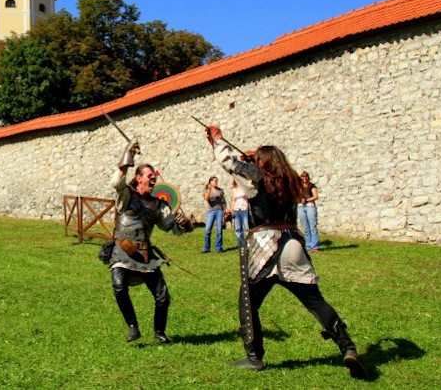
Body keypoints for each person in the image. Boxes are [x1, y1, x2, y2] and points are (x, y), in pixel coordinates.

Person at [206, 126, 365, 379]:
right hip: (292, 245)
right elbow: (253, 169)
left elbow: (229, 162)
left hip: (265, 247)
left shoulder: (256, 179)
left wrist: (216, 140)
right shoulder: (290, 180)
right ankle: (347, 346)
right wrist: (254, 160)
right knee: (315, 301)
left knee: (248, 302)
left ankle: (254, 357)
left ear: (262, 164)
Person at [109, 139, 191, 344]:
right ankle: (132, 327)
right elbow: (116, 183)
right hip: (123, 251)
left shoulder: (158, 204)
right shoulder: (126, 195)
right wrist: (128, 156)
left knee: (162, 296)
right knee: (119, 286)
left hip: (145, 254)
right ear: (139, 178)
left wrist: (184, 225)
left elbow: (169, 225)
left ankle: (160, 332)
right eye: (149, 177)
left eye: (154, 177)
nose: (153, 180)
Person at [298, 171, 320, 253]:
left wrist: (307, 200)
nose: (304, 178)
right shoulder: (298, 186)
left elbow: (315, 196)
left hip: (310, 206)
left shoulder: (312, 186)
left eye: (306, 177)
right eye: (302, 177)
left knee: (313, 226)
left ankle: (315, 246)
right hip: (300, 206)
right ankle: (308, 245)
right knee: (306, 228)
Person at [202, 176, 226, 253]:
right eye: (214, 181)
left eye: (217, 181)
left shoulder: (220, 190)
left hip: (219, 210)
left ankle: (218, 247)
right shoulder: (206, 190)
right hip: (211, 211)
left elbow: (223, 200)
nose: (216, 182)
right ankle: (206, 248)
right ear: (210, 182)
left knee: (219, 229)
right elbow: (206, 199)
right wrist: (209, 189)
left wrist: (225, 209)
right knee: (207, 230)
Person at [230, 179, 250, 247]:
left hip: (244, 209)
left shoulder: (245, 189)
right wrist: (231, 209)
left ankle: (248, 243)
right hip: (236, 210)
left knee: (246, 228)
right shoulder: (234, 189)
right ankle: (241, 243)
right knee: (238, 228)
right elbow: (233, 200)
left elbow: (248, 197)